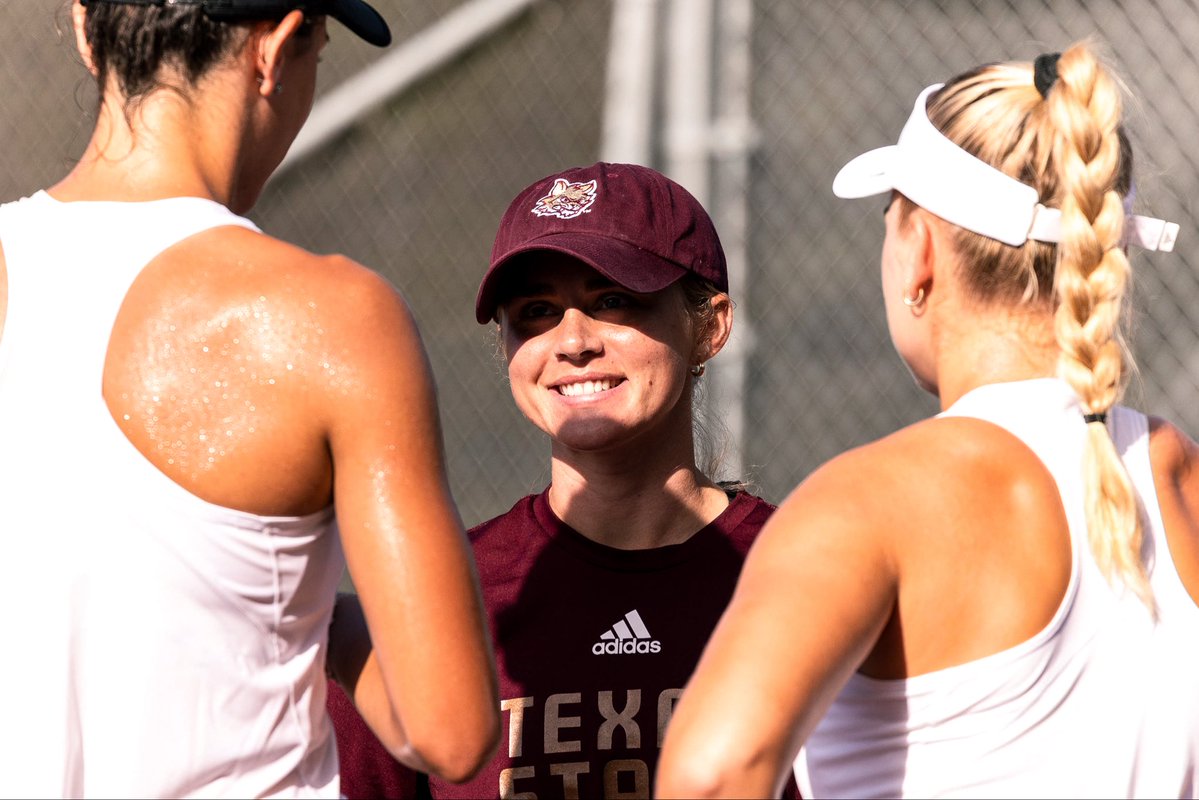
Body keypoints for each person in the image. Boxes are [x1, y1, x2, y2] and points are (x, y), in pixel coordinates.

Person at [657, 41, 1199, 798]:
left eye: (889, 217)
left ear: (918, 250)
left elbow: (710, 776)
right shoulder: (1178, 471)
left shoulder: (871, 500)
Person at [0, 1, 498, 796]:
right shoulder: (335, 319)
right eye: (317, 54)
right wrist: (318, 621)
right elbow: (448, 728)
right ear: (272, 49)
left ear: (87, 32)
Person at [329, 161, 798, 799]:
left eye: (613, 300)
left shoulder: (805, 574)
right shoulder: (442, 593)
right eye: (536, 312)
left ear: (709, 326)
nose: (572, 342)